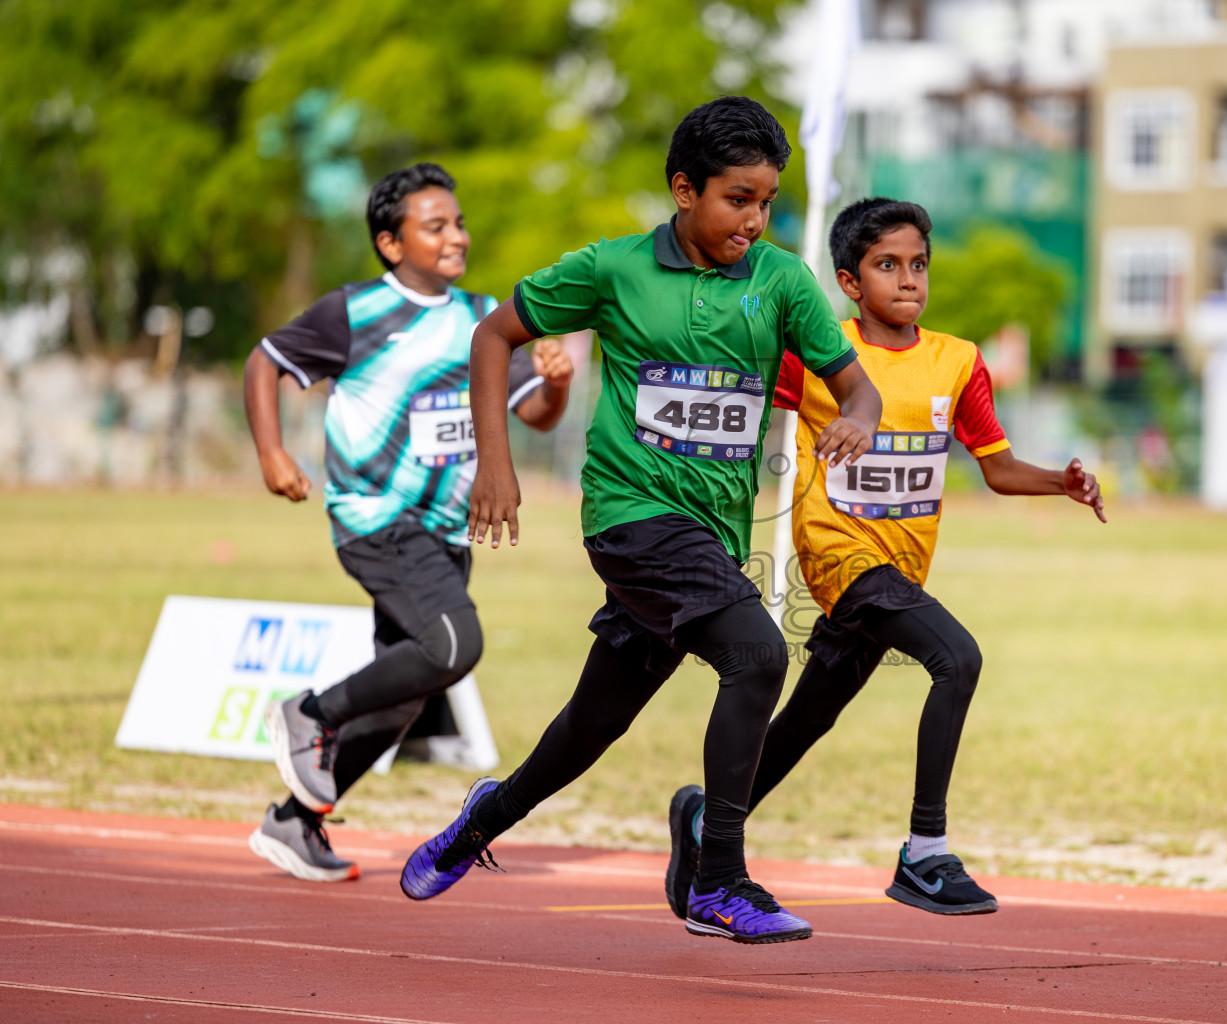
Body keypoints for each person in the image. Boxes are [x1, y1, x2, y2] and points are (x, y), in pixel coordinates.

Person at [398, 96, 882, 946]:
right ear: (683, 189)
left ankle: (479, 823)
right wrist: (498, 465)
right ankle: (718, 880)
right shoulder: (613, 269)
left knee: (593, 726)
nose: (755, 220)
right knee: (759, 653)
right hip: (632, 518)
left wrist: (861, 418)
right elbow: (491, 336)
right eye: (738, 199)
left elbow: (858, 385)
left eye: (768, 201)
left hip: (713, 536)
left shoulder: (781, 282)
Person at [665, 197, 1105, 918]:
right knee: (957, 659)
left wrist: (1060, 482)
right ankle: (924, 853)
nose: (908, 280)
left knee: (809, 717)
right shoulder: (819, 354)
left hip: (901, 568)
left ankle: (705, 822)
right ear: (849, 280)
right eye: (888, 265)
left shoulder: (956, 361)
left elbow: (995, 466)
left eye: (919, 265)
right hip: (840, 557)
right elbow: (728, 386)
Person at [245, 162, 574, 882]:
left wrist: (555, 382)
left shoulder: (483, 319)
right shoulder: (353, 312)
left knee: (407, 693)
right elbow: (264, 361)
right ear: (392, 244)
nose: (456, 235)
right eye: (436, 225)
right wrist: (272, 452)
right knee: (456, 641)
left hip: (446, 531)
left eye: (457, 222)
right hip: (376, 519)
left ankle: (294, 822)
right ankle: (311, 713)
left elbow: (535, 417)